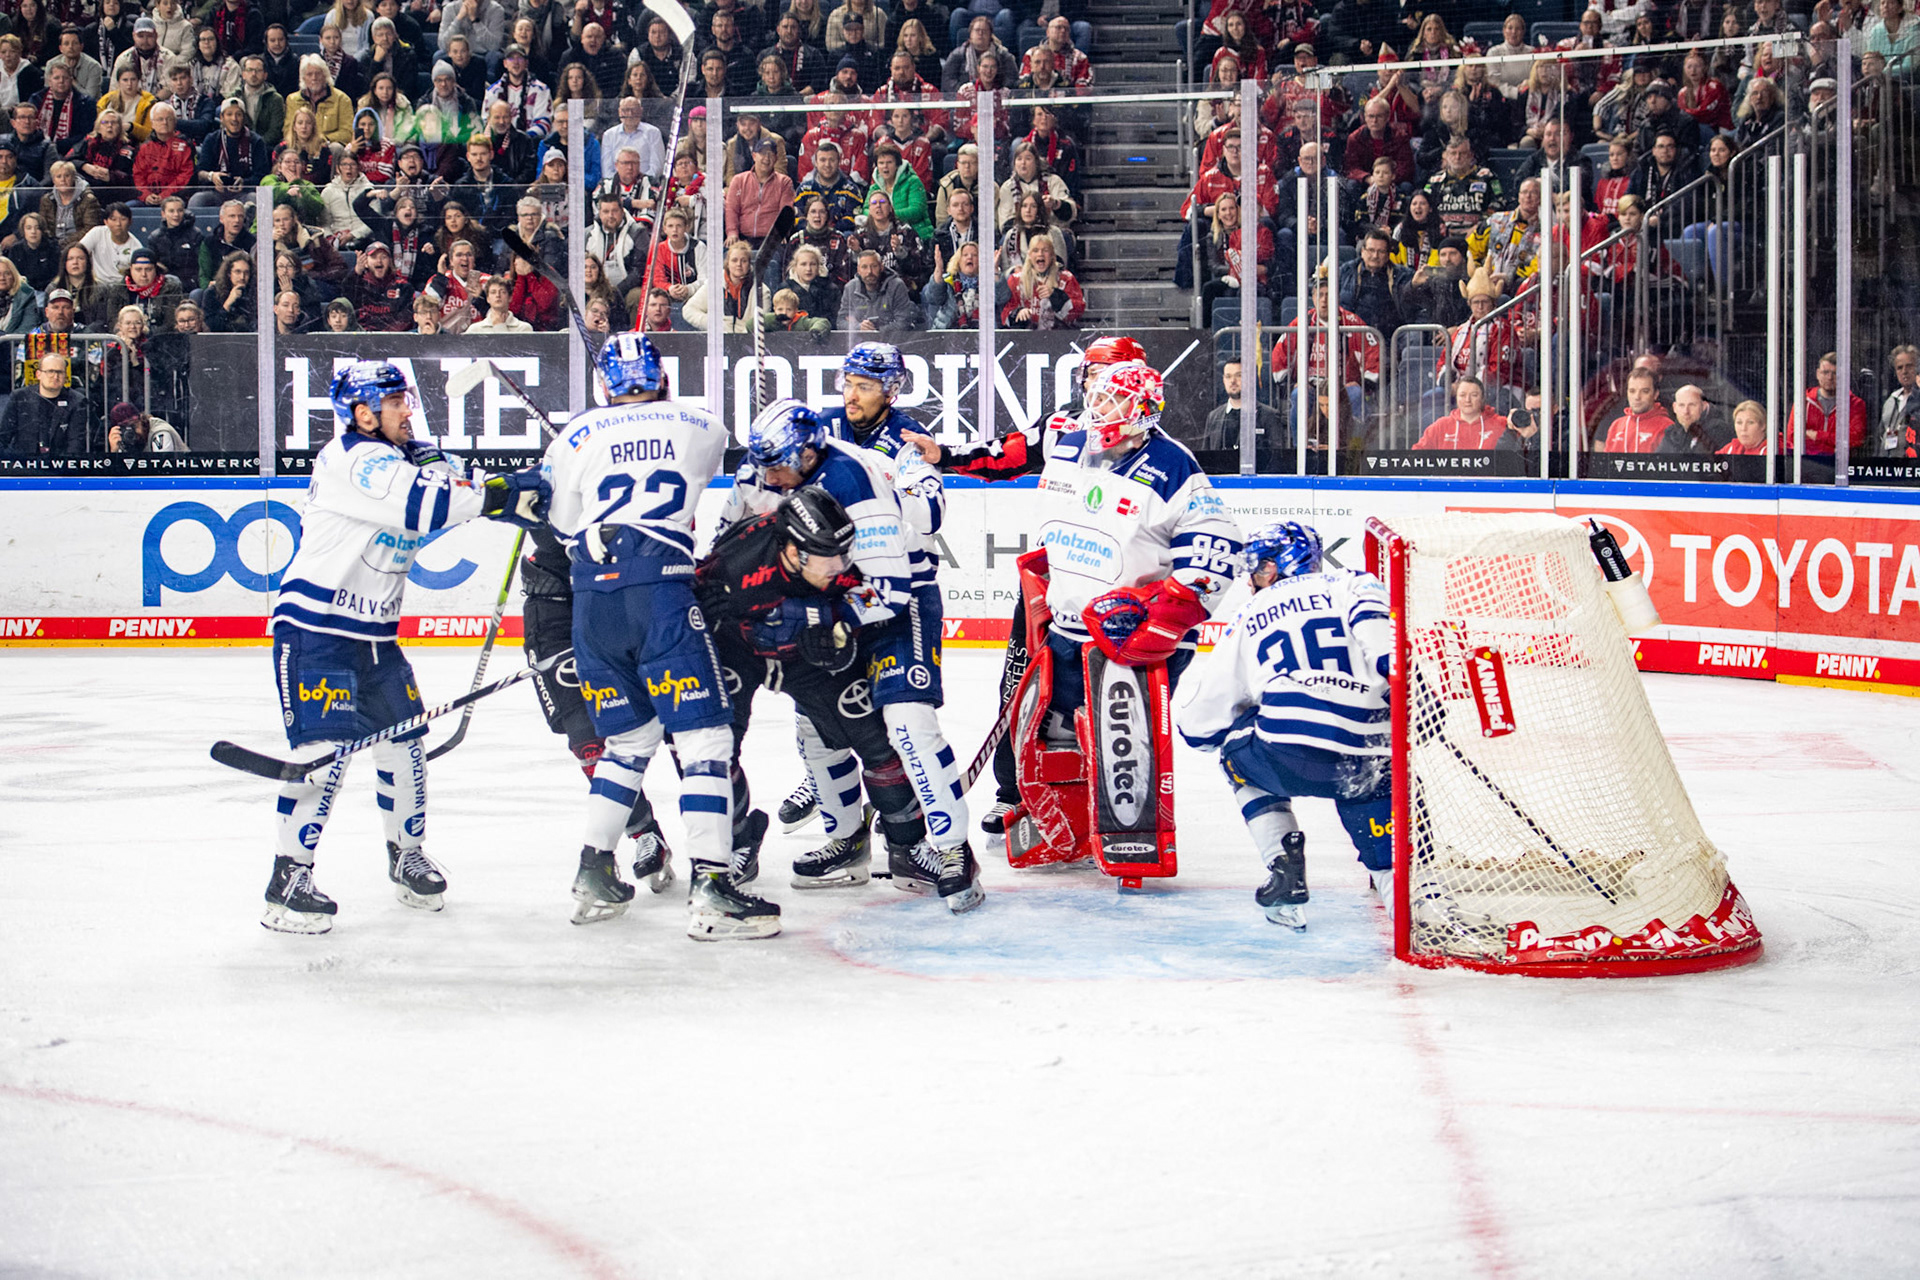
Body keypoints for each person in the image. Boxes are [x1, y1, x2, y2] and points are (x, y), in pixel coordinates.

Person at [257, 360, 546, 933]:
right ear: (364, 414)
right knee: (325, 763)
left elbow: (461, 488)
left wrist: (518, 490)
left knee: (407, 749)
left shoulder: (400, 458)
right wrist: (499, 491)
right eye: (396, 404)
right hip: (318, 632)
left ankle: (406, 855)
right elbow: (432, 504)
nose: (407, 411)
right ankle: (288, 881)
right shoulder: (353, 459)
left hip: (375, 640)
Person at [534, 334, 767, 937]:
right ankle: (714, 887)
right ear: (661, 377)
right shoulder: (699, 422)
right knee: (705, 739)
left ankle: (593, 871)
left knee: (628, 744)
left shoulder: (574, 435)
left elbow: (561, 525)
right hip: (658, 590)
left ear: (605, 385)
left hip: (592, 601)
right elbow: (729, 472)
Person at [724, 383, 980, 910]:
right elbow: (729, 537)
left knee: (908, 723)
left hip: (892, 605)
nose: (767, 480)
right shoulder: (767, 466)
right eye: (762, 467)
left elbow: (889, 592)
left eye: (777, 469)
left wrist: (815, 617)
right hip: (828, 605)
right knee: (816, 726)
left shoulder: (854, 484)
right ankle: (849, 839)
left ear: (807, 455)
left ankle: (953, 849)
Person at [896, 335, 1152, 835]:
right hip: (1050, 587)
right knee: (1022, 686)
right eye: (1091, 377)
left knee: (1112, 700)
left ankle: (1111, 800)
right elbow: (1004, 454)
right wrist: (944, 454)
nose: (1093, 388)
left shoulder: (1147, 446)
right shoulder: (1063, 428)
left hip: (1118, 594)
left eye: (1104, 377)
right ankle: (1014, 790)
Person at [1172, 521, 1395, 927]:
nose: (1254, 581)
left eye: (1258, 569)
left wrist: (1211, 734)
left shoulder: (1249, 615)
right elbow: (1384, 642)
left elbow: (1200, 725)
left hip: (1286, 754)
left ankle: (1281, 863)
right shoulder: (1352, 582)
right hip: (1369, 757)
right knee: (1386, 852)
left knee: (1235, 750)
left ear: (1276, 567)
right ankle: (1407, 897)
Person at [0, 352, 90, 454]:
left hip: (60, 465)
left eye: (60, 372)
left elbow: (76, 443)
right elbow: (3, 437)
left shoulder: (77, 401)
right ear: (38, 374)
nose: (55, 376)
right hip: (24, 463)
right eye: (50, 371)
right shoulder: (19, 397)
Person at [1199, 358, 1287, 457]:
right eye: (1228, 376)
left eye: (1239, 375)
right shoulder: (1213, 417)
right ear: (1223, 380)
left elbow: (1277, 458)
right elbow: (1206, 459)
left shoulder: (1269, 416)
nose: (1232, 381)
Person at [1412, 376, 1513, 449]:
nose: (1467, 400)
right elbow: (1417, 455)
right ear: (1456, 398)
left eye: (1474, 395)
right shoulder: (1440, 426)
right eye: (1462, 395)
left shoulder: (1500, 423)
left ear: (1482, 398)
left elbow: (1525, 434)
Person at [839, 247, 922, 332]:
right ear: (858, 270)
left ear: (881, 267)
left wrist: (875, 331)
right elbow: (841, 322)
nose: (869, 272)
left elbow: (904, 322)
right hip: (860, 341)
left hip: (892, 341)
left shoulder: (896, 286)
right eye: (864, 267)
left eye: (874, 266)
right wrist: (858, 327)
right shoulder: (850, 288)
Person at [1801, 351, 1869, 456]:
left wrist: (1817, 436)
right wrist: (1831, 447)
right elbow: (1793, 437)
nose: (1829, 377)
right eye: (1825, 372)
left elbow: (1855, 439)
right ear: (1817, 374)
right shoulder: (1803, 402)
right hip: (1809, 463)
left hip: (1840, 465)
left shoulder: (1855, 404)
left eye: (1835, 373)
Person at [1599, 366, 1676, 452]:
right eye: (1632, 391)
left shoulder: (1667, 427)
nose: (1637, 397)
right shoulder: (1616, 426)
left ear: (1655, 394)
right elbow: (1606, 463)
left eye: (1645, 391)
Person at [1662, 384, 1731, 453]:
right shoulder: (1671, 433)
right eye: (1681, 405)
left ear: (1703, 406)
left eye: (1692, 405)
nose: (1686, 411)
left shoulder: (1718, 430)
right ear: (1674, 408)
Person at [1878, 345, 1919, 457]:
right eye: (1899, 368)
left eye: (1909, 366)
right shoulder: (1890, 401)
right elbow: (1881, 434)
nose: (1904, 371)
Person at [105, 399, 186, 451]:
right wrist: (115, 451)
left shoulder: (159, 432)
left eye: (133, 426)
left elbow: (161, 469)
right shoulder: (124, 441)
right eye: (124, 428)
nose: (131, 432)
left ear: (141, 418)